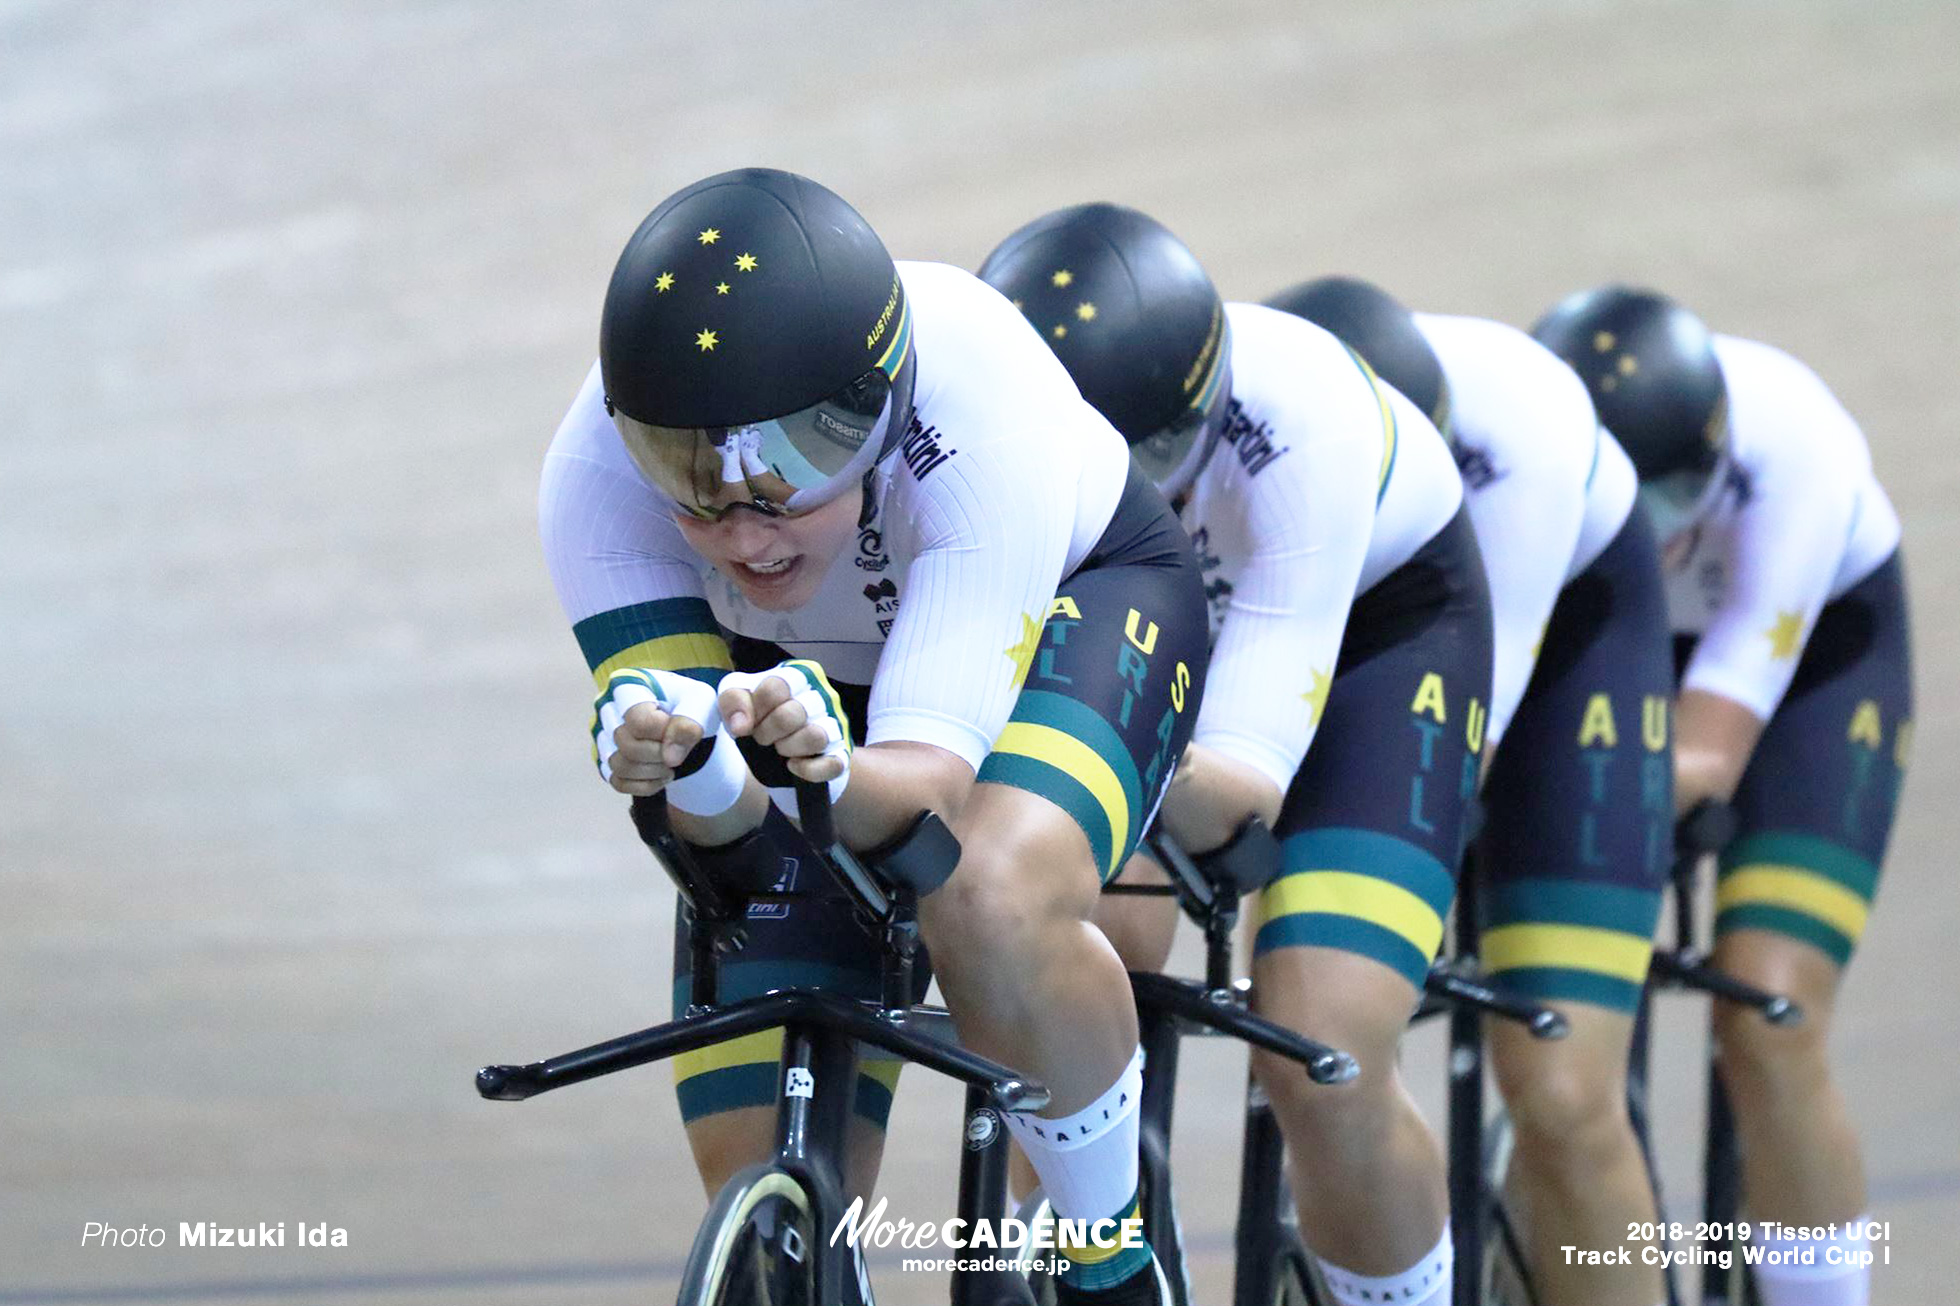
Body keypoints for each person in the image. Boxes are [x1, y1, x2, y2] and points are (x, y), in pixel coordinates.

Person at [540, 168, 1212, 1306]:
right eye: (689, 483)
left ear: (878, 409)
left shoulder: (980, 414)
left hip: (1080, 604)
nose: (740, 531)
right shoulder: (592, 485)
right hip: (802, 685)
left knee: (985, 896)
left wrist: (829, 766)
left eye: (785, 475)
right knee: (763, 1168)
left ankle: (1109, 1254)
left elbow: (930, 803)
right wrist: (685, 758)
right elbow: (732, 854)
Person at [981, 206, 1491, 1306]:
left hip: (1376, 648)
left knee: (1323, 1045)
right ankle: (1058, 1240)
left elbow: (1237, 793)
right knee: (1078, 931)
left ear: (1210, 405)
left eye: (1161, 453)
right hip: (1166, 614)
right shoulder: (990, 433)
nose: (1144, 487)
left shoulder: (1304, 423)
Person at [1269, 276, 1674, 1306]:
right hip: (1362, 617)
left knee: (1565, 1091)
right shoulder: (1265, 433)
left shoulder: (1522, 428)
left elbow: (1466, 735)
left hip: (1567, 644)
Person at [1535, 286, 1909, 1306]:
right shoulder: (1538, 467)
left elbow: (1706, 753)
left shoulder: (1795, 447)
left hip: (1808, 665)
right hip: (1613, 636)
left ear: (1717, 459)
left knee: (1769, 1015)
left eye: (1675, 503)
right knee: (1548, 1051)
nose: (1657, 535)